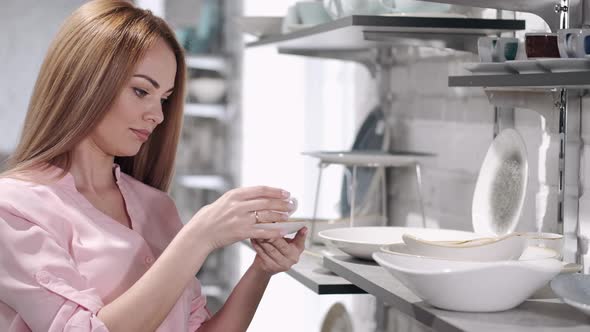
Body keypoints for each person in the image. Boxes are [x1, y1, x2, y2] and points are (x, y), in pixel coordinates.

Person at [0, 1, 307, 331]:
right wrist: (200, 236)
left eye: (164, 98)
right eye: (141, 90)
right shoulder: (14, 210)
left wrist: (261, 270)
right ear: (84, 82)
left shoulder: (157, 207)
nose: (158, 116)